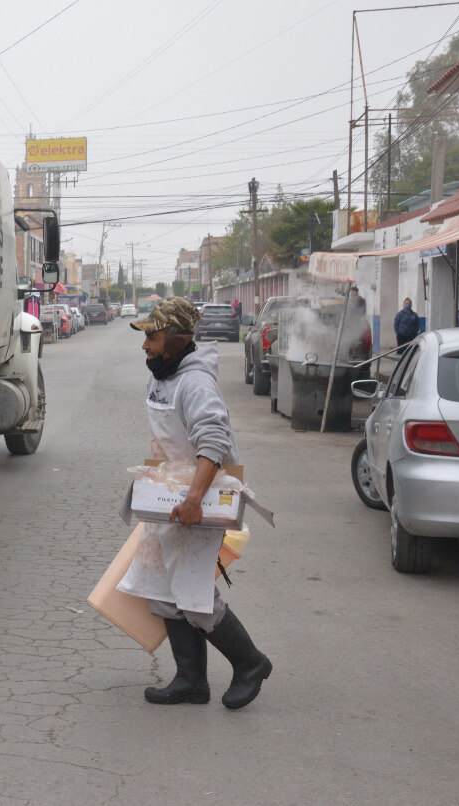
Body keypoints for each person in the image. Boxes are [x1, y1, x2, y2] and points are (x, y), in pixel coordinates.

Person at [118, 296, 272, 710]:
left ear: (179, 338)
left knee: (193, 596)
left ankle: (251, 663)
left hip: (199, 498)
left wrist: (192, 498)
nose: (145, 345)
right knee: (163, 594)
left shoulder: (195, 382)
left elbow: (214, 442)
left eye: (153, 335)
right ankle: (191, 680)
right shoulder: (164, 374)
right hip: (174, 494)